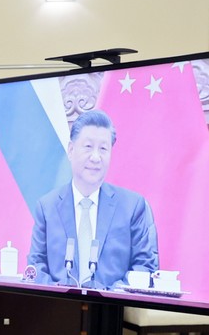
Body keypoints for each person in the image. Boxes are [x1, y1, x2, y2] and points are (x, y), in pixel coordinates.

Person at [27, 109, 158, 289]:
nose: (96, 157)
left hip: (113, 311)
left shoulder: (133, 206)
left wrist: (108, 297)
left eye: (103, 149)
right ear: (71, 150)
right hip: (60, 310)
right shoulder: (47, 207)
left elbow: (145, 267)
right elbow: (36, 266)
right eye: (88, 147)